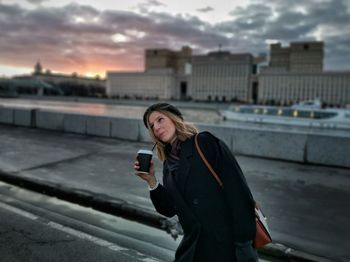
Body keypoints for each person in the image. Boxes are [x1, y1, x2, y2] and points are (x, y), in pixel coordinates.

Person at [134, 103, 258, 262]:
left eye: (160, 120)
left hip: (226, 247)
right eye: (152, 126)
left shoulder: (204, 142)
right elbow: (170, 208)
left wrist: (243, 244)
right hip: (192, 250)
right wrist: (151, 181)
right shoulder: (168, 164)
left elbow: (238, 192)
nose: (156, 127)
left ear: (175, 119)